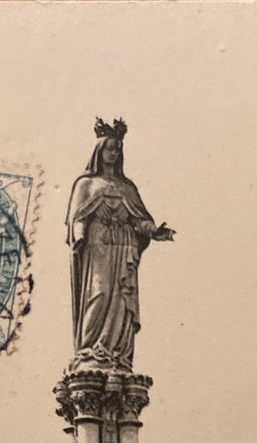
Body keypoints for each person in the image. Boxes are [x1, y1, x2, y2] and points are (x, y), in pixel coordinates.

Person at [66, 118, 174, 374]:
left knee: (120, 303)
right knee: (99, 294)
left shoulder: (127, 187)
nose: (113, 154)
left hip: (124, 248)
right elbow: (76, 217)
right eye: (109, 148)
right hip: (98, 249)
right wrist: (79, 235)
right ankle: (90, 350)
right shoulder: (86, 184)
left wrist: (154, 230)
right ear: (99, 151)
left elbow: (140, 219)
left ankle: (117, 354)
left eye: (117, 149)